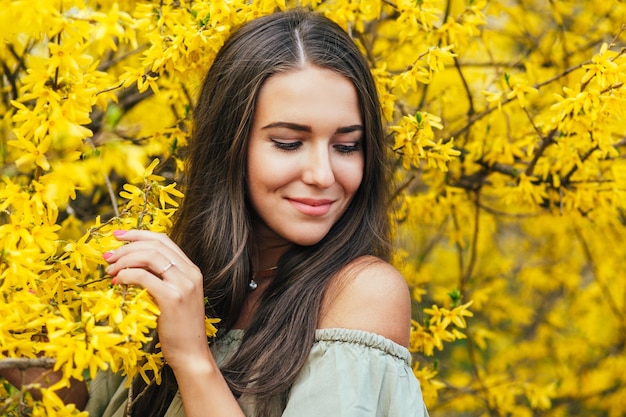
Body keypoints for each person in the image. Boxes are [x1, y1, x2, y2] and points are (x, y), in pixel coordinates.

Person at [7, 8, 430, 417]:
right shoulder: (193, 275)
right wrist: (19, 323)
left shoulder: (362, 292)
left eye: (346, 146)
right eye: (288, 143)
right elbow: (82, 402)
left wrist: (192, 358)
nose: (322, 175)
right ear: (228, 145)